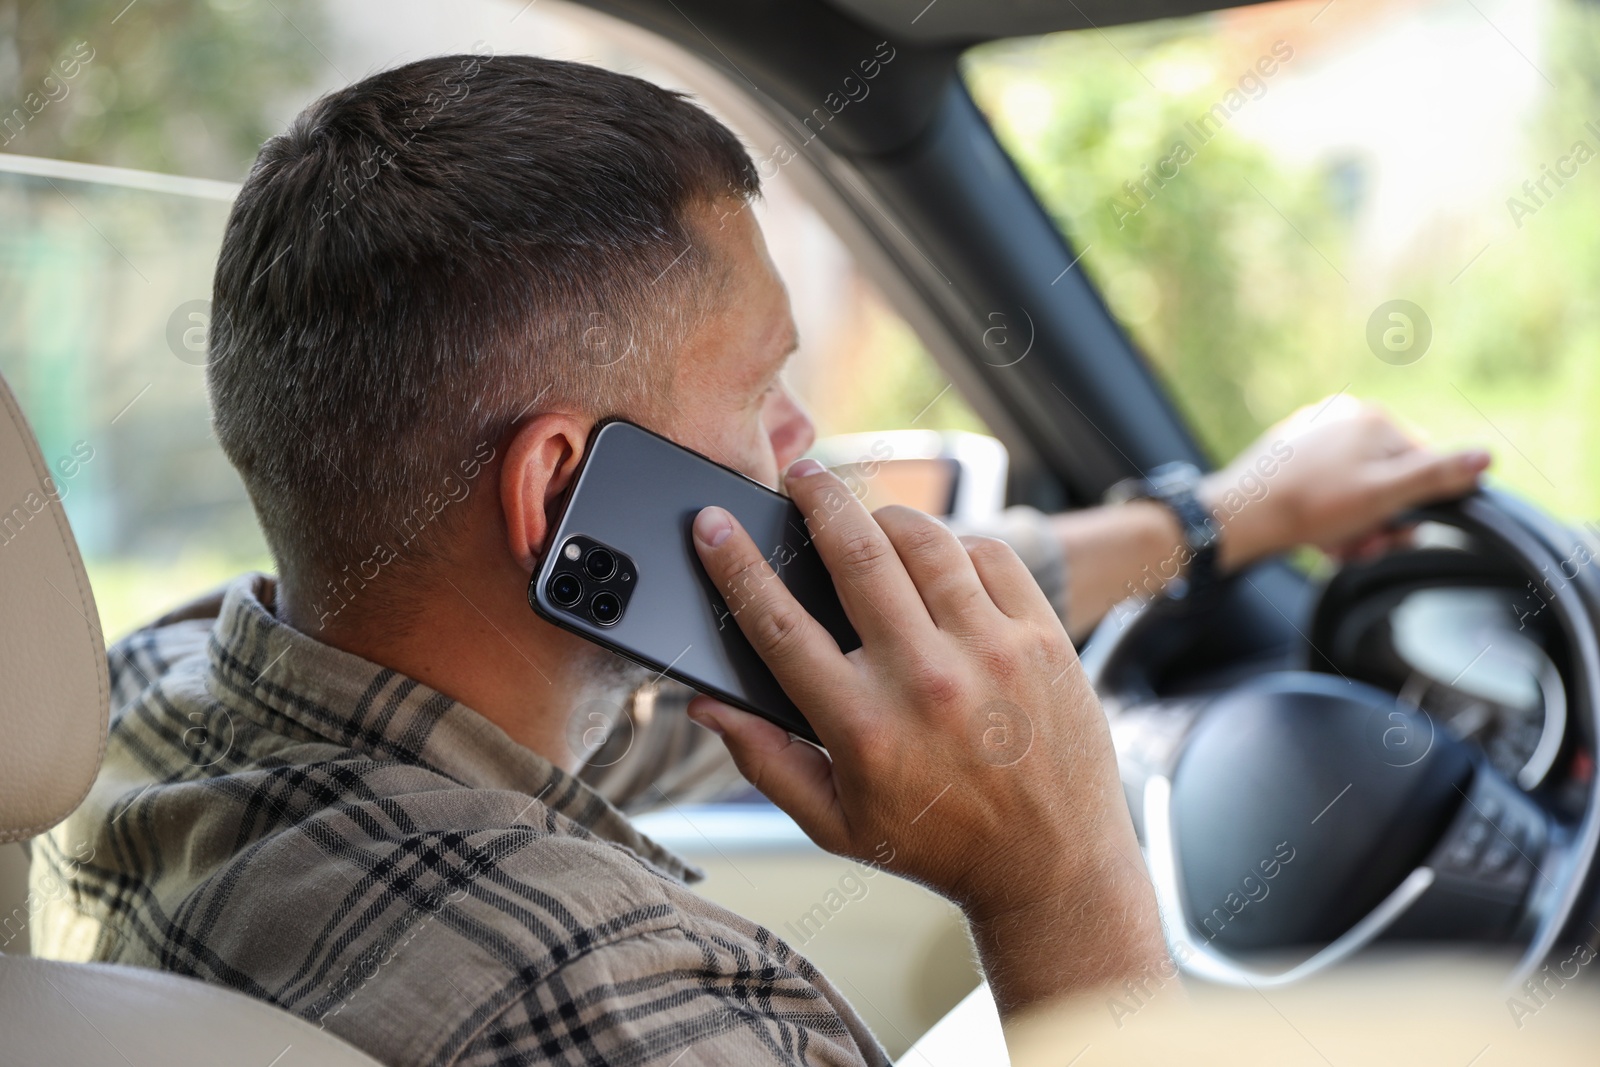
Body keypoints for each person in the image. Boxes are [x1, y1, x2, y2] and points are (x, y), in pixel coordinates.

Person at [32, 55, 1489, 1065]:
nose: (806, 445)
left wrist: (1213, 520)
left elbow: (783, 650)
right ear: (566, 491)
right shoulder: (599, 1003)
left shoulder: (163, 697)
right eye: (763, 390)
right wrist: (1061, 883)